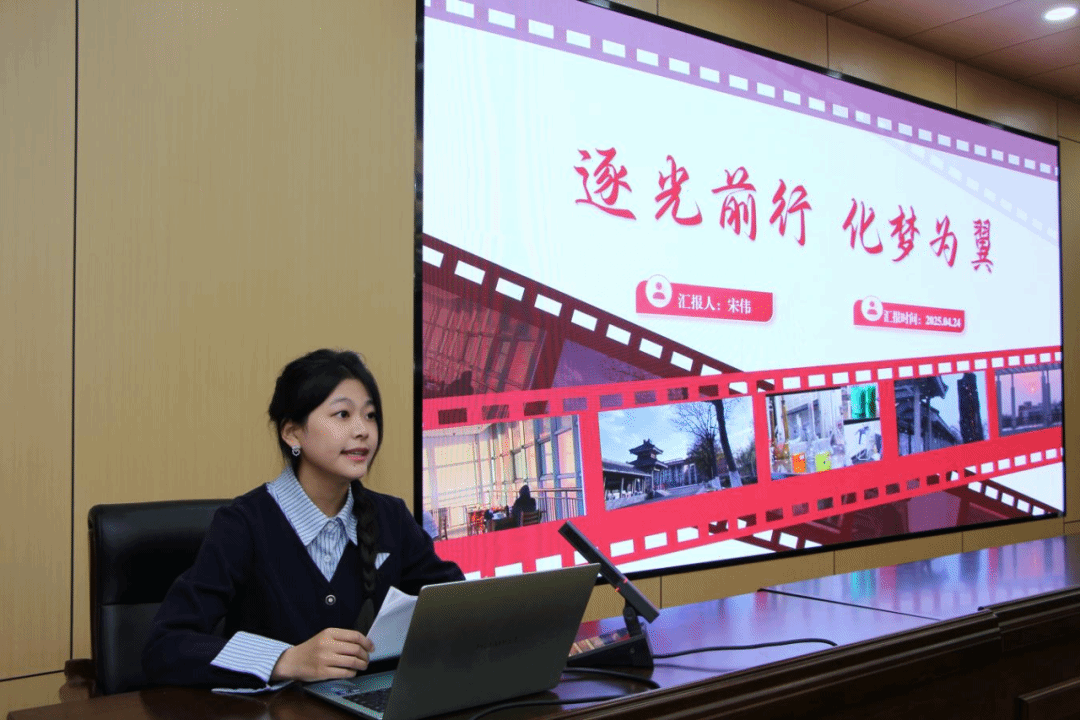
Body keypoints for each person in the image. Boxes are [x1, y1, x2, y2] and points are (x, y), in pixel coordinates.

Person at [143, 349, 464, 689]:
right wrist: (285, 659)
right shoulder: (244, 524)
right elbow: (166, 646)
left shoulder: (391, 517)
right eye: (342, 414)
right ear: (292, 433)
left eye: (370, 416)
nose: (363, 431)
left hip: (370, 707)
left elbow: (459, 605)